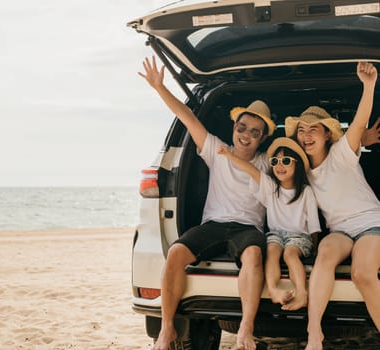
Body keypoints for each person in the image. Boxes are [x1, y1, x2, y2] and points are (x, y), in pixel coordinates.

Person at [139, 55, 276, 350]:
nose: (246, 135)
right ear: (234, 127)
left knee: (253, 256)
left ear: (263, 137)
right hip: (213, 225)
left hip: (247, 228)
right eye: (242, 127)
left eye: (255, 132)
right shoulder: (217, 148)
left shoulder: (267, 162)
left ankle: (245, 329)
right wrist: (159, 87)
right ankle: (166, 330)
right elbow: (187, 117)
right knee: (175, 252)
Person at [284, 62, 380, 350]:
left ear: (328, 135)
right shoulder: (299, 168)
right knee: (324, 254)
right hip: (340, 231)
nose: (307, 135)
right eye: (302, 130)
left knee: (362, 274)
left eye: (315, 129)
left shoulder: (343, 153)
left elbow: (360, 124)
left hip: (370, 224)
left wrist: (369, 85)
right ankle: (314, 335)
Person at [218, 137, 320, 311]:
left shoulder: (306, 191)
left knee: (289, 255)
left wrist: (316, 247)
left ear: (298, 166)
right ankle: (273, 290)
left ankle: (302, 293)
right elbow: (252, 170)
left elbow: (313, 222)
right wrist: (229, 155)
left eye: (286, 161)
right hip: (275, 234)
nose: (280, 165)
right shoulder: (271, 187)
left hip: (299, 236)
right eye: (275, 161)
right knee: (272, 252)